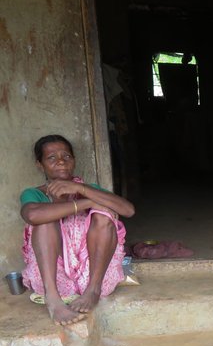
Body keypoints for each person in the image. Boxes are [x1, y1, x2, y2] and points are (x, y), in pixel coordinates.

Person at [20, 135, 134, 325]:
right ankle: (53, 300)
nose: (61, 162)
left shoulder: (88, 188)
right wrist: (88, 202)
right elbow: (31, 215)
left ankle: (93, 290)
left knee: (103, 217)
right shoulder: (35, 193)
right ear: (40, 165)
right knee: (45, 220)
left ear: (74, 160)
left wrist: (79, 189)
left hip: (93, 273)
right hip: (53, 276)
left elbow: (128, 210)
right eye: (51, 158)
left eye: (67, 156)